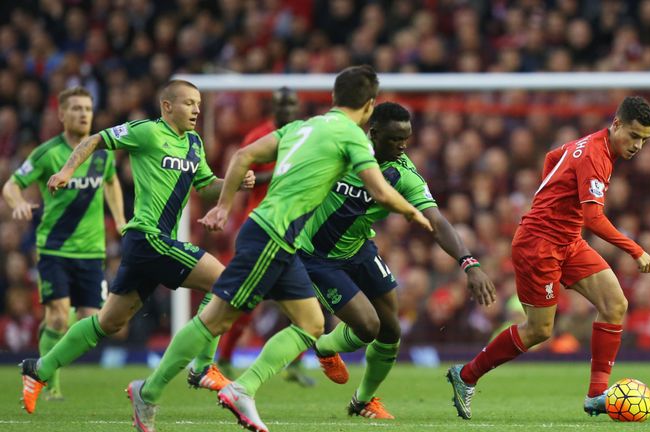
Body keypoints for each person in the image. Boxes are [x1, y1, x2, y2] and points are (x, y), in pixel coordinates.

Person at [127, 65, 432, 432]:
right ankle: (151, 390)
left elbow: (243, 156)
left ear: (335, 97)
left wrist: (224, 207)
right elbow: (381, 192)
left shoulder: (303, 126)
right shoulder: (351, 137)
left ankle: (244, 388)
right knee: (218, 319)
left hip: (279, 238)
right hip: (272, 235)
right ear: (369, 106)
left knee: (311, 324)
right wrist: (415, 213)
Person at [19, 80, 256, 415]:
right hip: (149, 238)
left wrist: (233, 183)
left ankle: (38, 369)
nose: (197, 110)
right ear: (167, 106)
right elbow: (95, 139)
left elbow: (205, 186)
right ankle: (203, 366)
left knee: (109, 322)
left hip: (151, 245)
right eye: (189, 103)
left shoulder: (194, 144)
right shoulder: (147, 132)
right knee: (225, 282)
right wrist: (67, 169)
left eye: (199, 104)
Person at [446, 96, 650, 420]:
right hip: (539, 245)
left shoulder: (591, 145)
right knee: (539, 331)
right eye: (633, 135)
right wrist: (636, 250)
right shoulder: (596, 155)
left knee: (615, 304)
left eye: (644, 139)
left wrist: (549, 198)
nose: (638, 145)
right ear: (616, 124)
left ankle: (596, 395)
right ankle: (466, 376)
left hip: (567, 241)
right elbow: (594, 218)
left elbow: (552, 157)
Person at [299, 102, 496, 419]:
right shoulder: (340, 149)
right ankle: (324, 346)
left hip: (360, 248)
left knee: (391, 330)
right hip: (317, 256)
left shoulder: (402, 173)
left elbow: (437, 221)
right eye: (394, 139)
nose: (402, 146)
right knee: (368, 326)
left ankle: (363, 401)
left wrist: (468, 263)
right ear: (373, 133)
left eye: (406, 138)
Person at [3, 86, 126, 401]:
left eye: (87, 108)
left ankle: (49, 338)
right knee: (59, 315)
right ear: (61, 115)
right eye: (76, 109)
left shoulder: (101, 152)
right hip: (54, 248)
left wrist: (121, 218)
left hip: (92, 251)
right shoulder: (47, 153)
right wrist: (17, 202)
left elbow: (111, 181)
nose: (84, 114)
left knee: (90, 322)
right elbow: (12, 185)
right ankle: (48, 384)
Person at [218, 87, 314, 387]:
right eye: (282, 103)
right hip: (261, 223)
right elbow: (242, 172)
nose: (287, 108)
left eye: (292, 102)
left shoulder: (304, 135)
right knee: (246, 302)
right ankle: (220, 358)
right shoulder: (260, 136)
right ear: (273, 107)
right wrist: (281, 174)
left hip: (296, 228)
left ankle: (295, 364)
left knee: (307, 299)